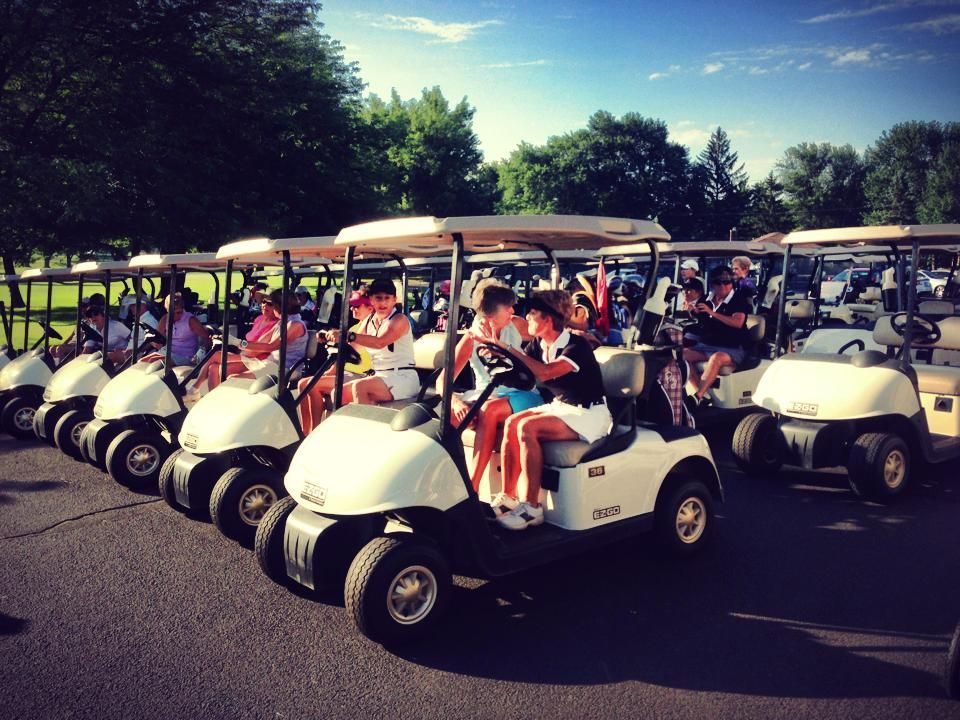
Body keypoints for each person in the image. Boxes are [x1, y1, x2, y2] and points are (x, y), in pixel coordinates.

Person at [480, 290, 611, 531]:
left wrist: (507, 346)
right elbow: (524, 377)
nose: (527, 318)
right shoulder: (538, 345)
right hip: (562, 407)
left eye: (532, 314)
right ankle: (509, 497)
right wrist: (497, 355)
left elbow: (545, 372)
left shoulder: (576, 345)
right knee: (512, 423)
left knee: (527, 427)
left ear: (548, 319)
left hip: (589, 414)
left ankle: (532, 507)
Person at [437, 279, 542, 491]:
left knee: (488, 410)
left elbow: (547, 332)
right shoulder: (471, 338)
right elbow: (442, 381)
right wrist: (456, 402)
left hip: (523, 393)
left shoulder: (516, 324)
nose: (512, 310)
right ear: (490, 313)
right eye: (508, 307)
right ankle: (445, 483)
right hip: (488, 394)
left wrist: (577, 334)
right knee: (448, 416)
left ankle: (471, 489)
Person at [325, 277, 418, 405]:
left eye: (387, 298)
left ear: (394, 300)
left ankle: (365, 425)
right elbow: (353, 347)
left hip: (402, 377)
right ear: (372, 300)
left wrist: (347, 335)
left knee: (360, 387)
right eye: (378, 298)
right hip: (378, 376)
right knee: (337, 393)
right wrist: (330, 338)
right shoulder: (369, 321)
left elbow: (379, 342)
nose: (383, 303)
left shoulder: (399, 319)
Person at [298, 287, 376, 434]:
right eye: (352, 306)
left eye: (357, 306)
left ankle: (314, 433)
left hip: (362, 375)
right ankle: (305, 432)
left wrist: (334, 339)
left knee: (312, 385)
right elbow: (343, 353)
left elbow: (349, 349)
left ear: (370, 307)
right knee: (303, 384)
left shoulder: (370, 327)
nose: (353, 309)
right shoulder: (355, 327)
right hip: (348, 372)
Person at [208, 289, 307, 390]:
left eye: (272, 304)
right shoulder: (282, 322)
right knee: (222, 370)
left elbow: (271, 347)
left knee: (233, 379)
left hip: (285, 368)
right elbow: (261, 342)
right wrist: (230, 342)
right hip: (269, 363)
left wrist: (236, 342)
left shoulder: (295, 325)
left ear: (278, 306)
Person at [682, 266, 752, 404]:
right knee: (681, 355)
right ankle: (701, 396)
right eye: (720, 283)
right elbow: (703, 322)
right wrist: (693, 312)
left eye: (727, 282)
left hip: (732, 347)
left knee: (716, 358)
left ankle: (698, 396)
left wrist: (712, 313)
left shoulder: (738, 299)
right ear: (713, 284)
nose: (724, 286)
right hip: (708, 345)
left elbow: (737, 322)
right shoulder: (707, 300)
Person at [198, 293, 281, 392]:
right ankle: (212, 399)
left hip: (257, 359)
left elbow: (261, 349)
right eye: (263, 302)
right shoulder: (258, 319)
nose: (265, 305)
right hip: (246, 355)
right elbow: (258, 295)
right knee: (213, 368)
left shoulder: (277, 325)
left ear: (277, 307)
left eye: (270, 304)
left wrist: (235, 343)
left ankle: (194, 388)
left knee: (216, 357)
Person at [149, 293, 211, 365]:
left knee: (156, 361)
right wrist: (153, 341)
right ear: (168, 310)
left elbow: (207, 338)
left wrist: (200, 353)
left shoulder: (191, 320)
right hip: (167, 352)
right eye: (173, 313)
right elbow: (156, 338)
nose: (178, 315)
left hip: (186, 356)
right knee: (146, 360)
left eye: (180, 312)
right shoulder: (165, 319)